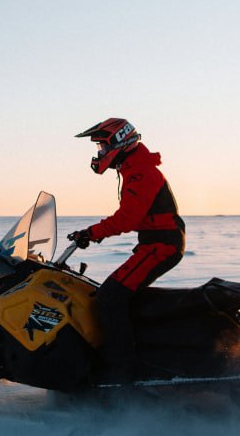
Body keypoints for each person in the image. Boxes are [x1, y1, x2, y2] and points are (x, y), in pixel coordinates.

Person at [68, 118, 185, 384]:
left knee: (110, 297)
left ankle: (123, 371)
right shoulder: (134, 167)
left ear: (118, 142)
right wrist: (90, 233)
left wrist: (91, 233)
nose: (99, 153)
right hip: (155, 243)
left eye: (101, 146)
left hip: (162, 246)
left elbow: (128, 218)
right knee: (116, 294)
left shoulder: (140, 171)